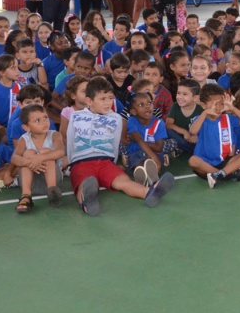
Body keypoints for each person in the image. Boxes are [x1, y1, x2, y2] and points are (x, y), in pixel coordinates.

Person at [66, 77, 175, 215]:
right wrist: (71, 165)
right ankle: (87, 201)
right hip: (81, 161)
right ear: (89, 101)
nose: (108, 103)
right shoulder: (76, 117)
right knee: (84, 182)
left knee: (123, 181)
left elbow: (115, 142)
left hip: (105, 161)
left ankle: (149, 192)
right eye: (102, 99)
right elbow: (70, 141)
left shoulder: (116, 118)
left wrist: (112, 162)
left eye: (110, 98)